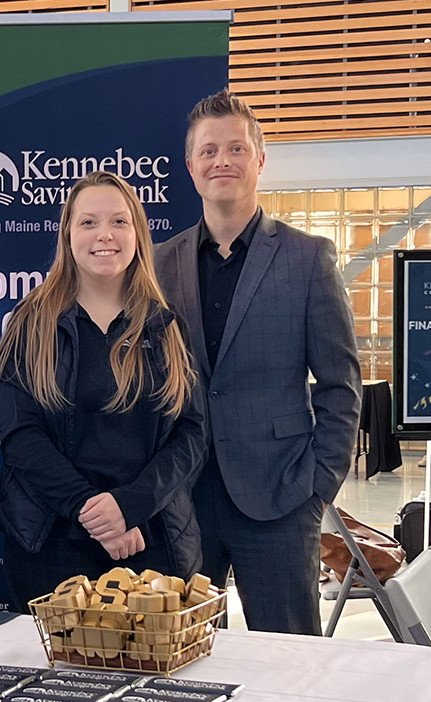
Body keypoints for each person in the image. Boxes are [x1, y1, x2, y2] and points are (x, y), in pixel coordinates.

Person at [155, 90, 361, 635]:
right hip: (182, 498)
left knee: (292, 662)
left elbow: (341, 384)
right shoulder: (158, 263)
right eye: (209, 151)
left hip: (281, 498)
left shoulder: (307, 257)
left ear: (259, 159)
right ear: (191, 166)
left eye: (236, 148)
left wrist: (318, 488)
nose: (222, 160)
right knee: (182, 663)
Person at [0, 171, 206, 611]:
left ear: (138, 234)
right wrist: (96, 512)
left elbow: (191, 435)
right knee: (55, 678)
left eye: (119, 222)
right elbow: (20, 437)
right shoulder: (29, 325)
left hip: (151, 544)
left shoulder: (167, 326)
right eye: (88, 222)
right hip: (50, 546)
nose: (103, 235)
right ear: (67, 234)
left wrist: (128, 507)